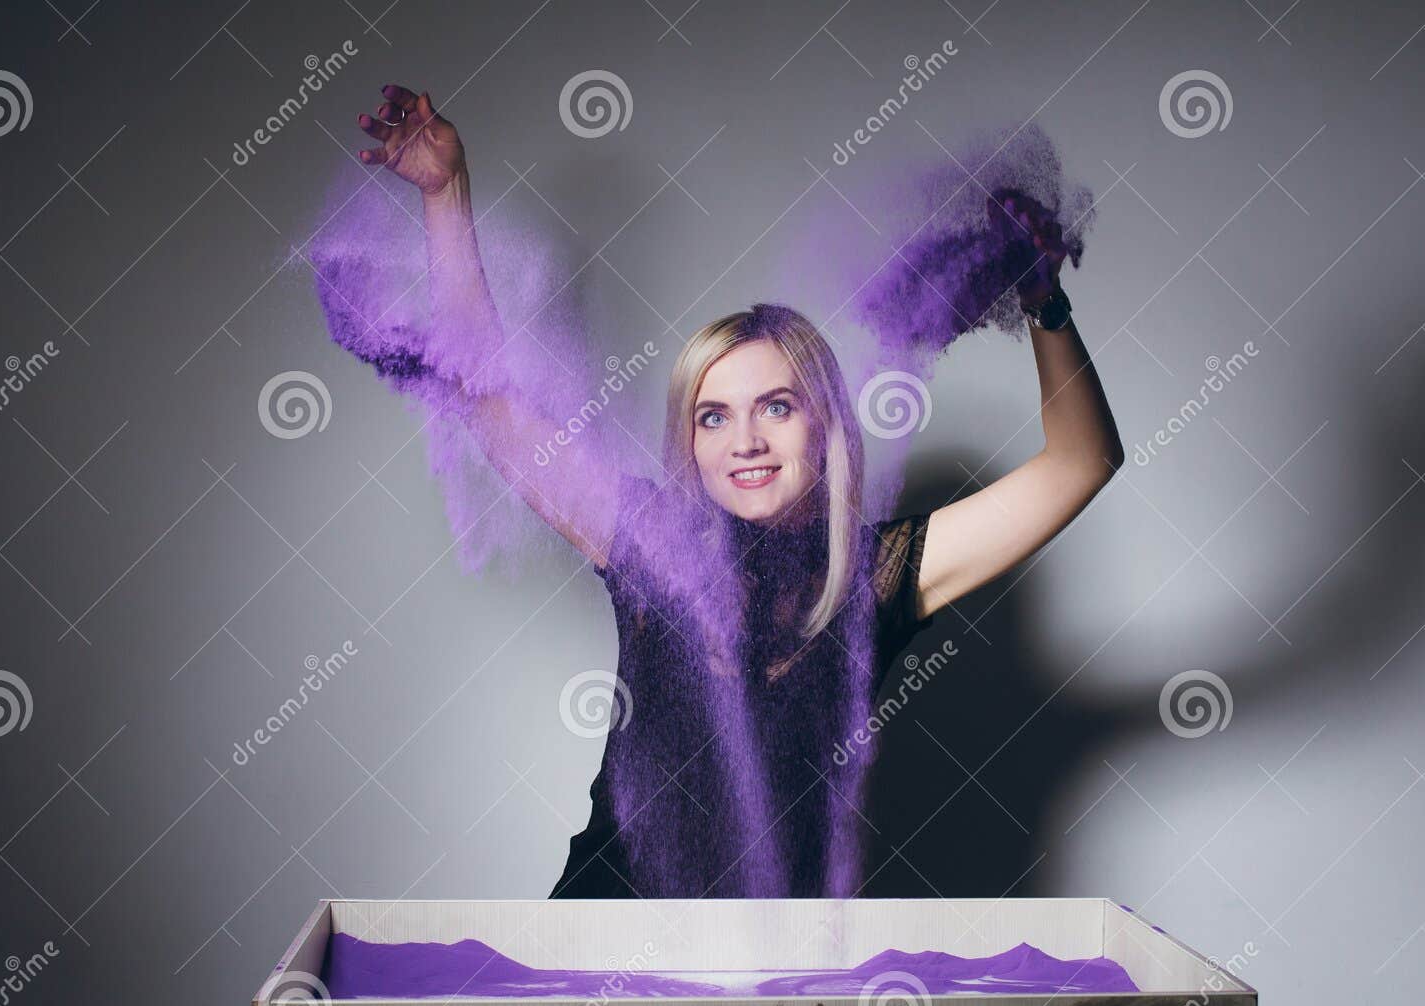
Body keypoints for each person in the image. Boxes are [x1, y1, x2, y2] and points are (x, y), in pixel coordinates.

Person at [355, 84, 1125, 899]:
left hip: (777, 975)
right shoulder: (651, 542)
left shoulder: (876, 572)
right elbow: (492, 408)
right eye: (713, 415)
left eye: (777, 407)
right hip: (601, 947)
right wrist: (447, 196)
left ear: (823, 427)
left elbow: (1081, 460)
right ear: (688, 439)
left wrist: (1043, 298)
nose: (746, 441)